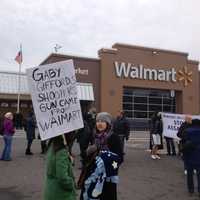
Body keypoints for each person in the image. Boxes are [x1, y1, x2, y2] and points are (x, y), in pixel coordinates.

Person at [79, 125, 123, 200]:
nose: (99, 123)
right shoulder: (92, 135)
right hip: (92, 174)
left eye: (102, 121)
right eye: (98, 121)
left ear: (108, 123)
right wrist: (88, 152)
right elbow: (84, 155)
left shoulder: (114, 137)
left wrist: (105, 157)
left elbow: (119, 158)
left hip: (106, 176)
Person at [44, 134, 76, 200]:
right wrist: (71, 184)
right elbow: (62, 178)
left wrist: (69, 160)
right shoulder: (61, 151)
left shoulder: (52, 145)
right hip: (61, 194)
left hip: (51, 189)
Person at [181, 119, 200, 197]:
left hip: (189, 155)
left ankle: (191, 190)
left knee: (189, 174)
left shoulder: (187, 131)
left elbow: (183, 142)